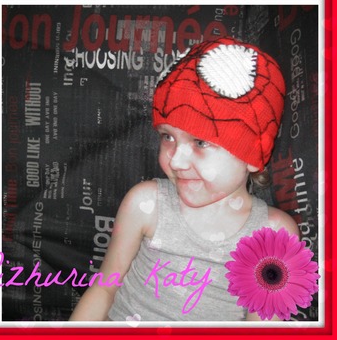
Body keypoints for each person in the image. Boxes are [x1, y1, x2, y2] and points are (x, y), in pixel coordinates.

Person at [69, 37, 299, 322]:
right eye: (167, 137)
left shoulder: (273, 235)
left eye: (200, 142)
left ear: (252, 154)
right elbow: (104, 289)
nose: (176, 161)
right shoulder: (147, 203)